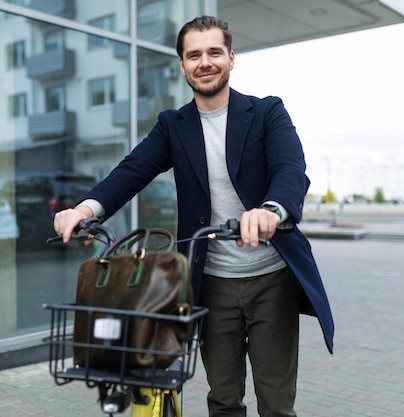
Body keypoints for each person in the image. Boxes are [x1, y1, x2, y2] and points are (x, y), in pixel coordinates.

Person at [54, 15, 334, 417]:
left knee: (275, 401)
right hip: (211, 284)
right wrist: (84, 209)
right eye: (194, 55)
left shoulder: (267, 112)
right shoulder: (174, 126)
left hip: (272, 279)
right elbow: (132, 171)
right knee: (222, 399)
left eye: (214, 52)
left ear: (231, 58)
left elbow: (291, 171)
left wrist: (271, 211)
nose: (205, 62)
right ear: (183, 65)